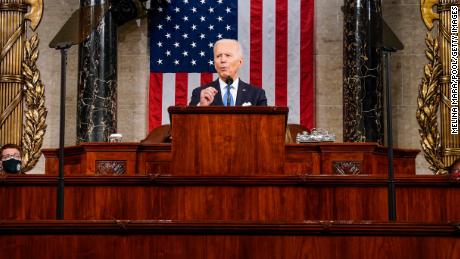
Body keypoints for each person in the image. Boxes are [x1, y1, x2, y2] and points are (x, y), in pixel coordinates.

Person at [189, 39, 267, 106]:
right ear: (214, 63)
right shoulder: (200, 93)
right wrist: (202, 107)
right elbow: (189, 122)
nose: (222, 60)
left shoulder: (257, 94)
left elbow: (264, 122)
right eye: (218, 56)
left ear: (240, 62)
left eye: (228, 55)